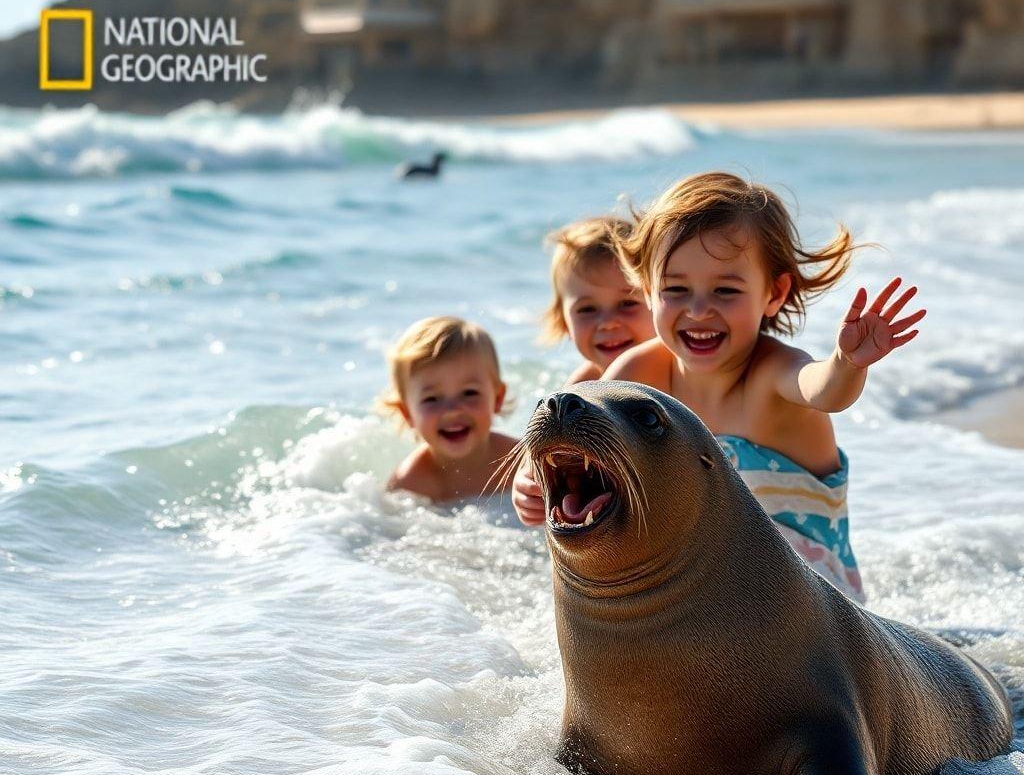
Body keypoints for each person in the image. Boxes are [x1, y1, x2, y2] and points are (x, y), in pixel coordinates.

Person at [515, 172, 928, 601]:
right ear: (647, 288)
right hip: (691, 578)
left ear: (774, 292)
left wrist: (846, 363)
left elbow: (824, 390)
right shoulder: (637, 370)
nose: (697, 310)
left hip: (802, 596)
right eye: (675, 289)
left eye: (725, 290)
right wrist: (537, 480)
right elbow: (589, 448)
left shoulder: (772, 370)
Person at [382, 315, 518, 504]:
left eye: (469, 393)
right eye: (432, 399)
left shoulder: (521, 463)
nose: (452, 410)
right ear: (407, 413)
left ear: (497, 398)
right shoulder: (409, 485)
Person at [540, 216, 655, 385]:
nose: (608, 323)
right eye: (587, 309)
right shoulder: (580, 389)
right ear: (563, 322)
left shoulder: (679, 376)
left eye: (627, 303)